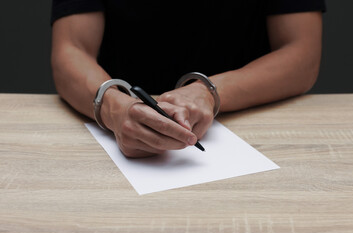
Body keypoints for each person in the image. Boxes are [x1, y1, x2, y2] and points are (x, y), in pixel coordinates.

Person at [51, 0, 326, 158]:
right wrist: (114, 107)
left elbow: (302, 55)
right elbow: (70, 49)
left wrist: (208, 92)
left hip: (251, 124)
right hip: (115, 139)